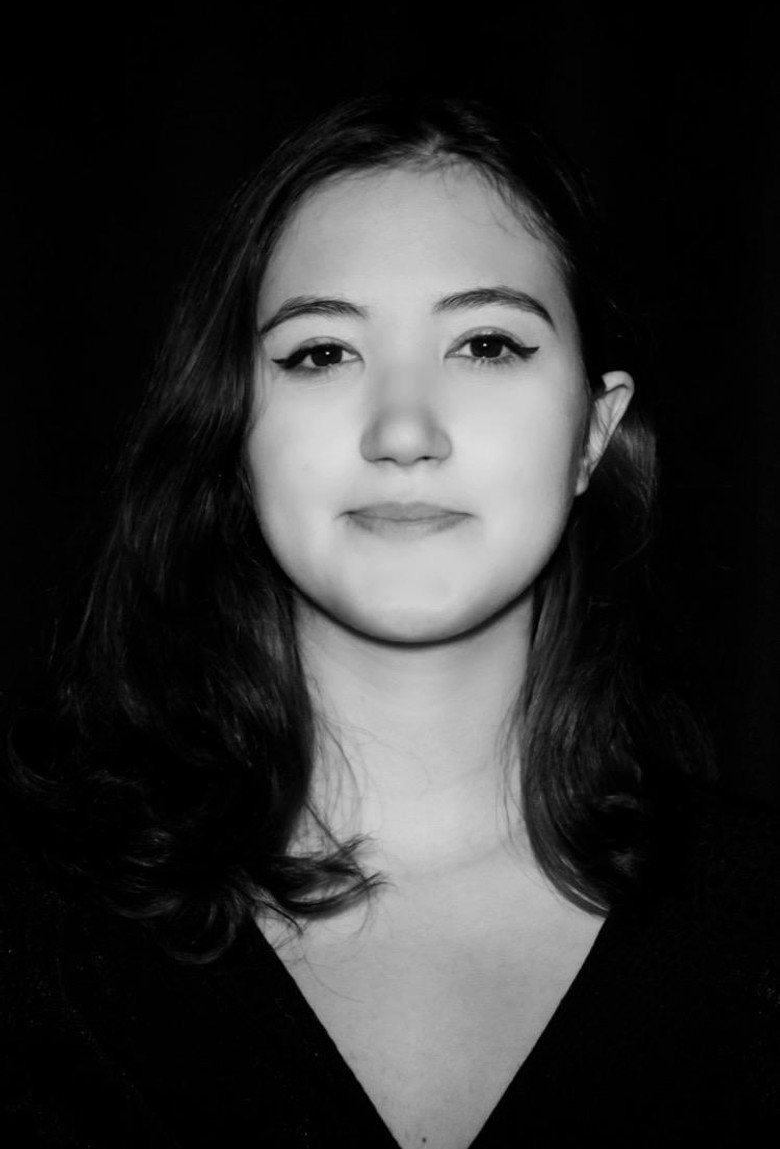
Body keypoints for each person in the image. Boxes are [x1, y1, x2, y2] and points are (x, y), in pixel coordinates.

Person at [1, 90, 778, 1149]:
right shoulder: (33, 931)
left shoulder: (764, 927)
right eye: (322, 352)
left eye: (487, 343)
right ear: (235, 430)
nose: (404, 430)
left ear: (594, 434)